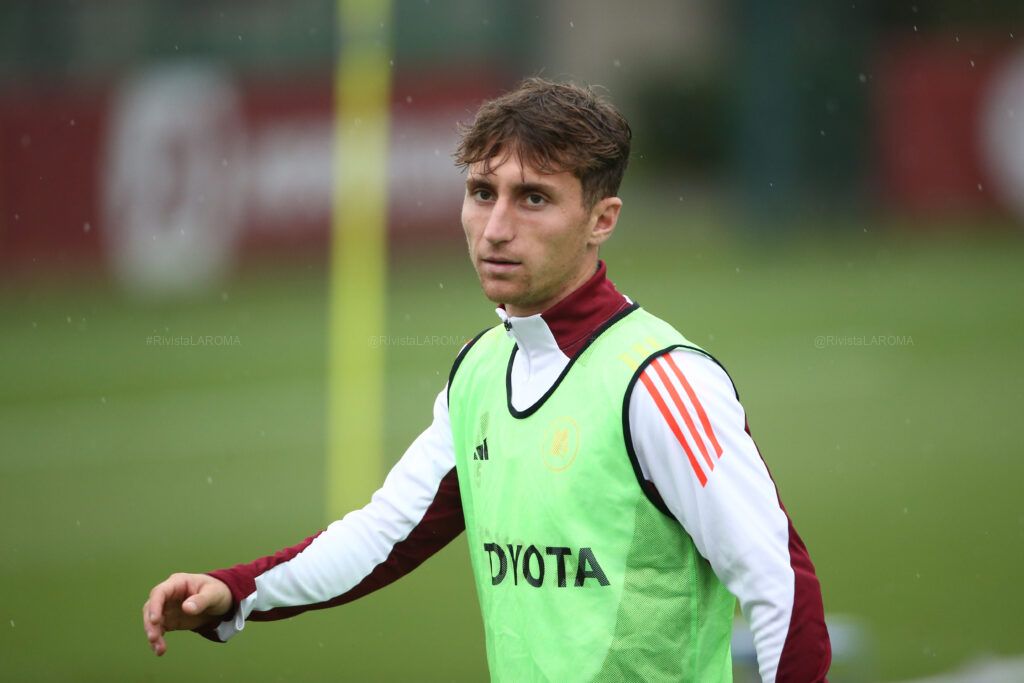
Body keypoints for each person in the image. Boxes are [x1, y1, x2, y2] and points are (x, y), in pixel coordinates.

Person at [143, 77, 831, 682]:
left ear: (602, 220)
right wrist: (237, 591)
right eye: (481, 193)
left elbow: (780, 585)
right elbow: (385, 533)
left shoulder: (657, 381)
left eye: (533, 198)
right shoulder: (479, 371)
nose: (495, 228)